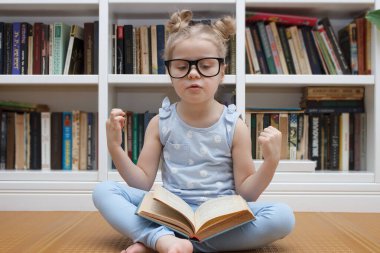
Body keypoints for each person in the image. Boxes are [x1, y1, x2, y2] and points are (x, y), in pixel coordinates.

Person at [93, 9, 295, 253]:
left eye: (206, 65)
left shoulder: (235, 125)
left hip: (221, 217)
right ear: (170, 73)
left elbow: (247, 194)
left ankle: (159, 241)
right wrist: (115, 147)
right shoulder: (160, 122)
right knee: (104, 190)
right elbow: (141, 184)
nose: (193, 73)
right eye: (181, 66)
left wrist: (271, 161)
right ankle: (161, 237)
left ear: (222, 72)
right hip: (169, 211)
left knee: (283, 216)